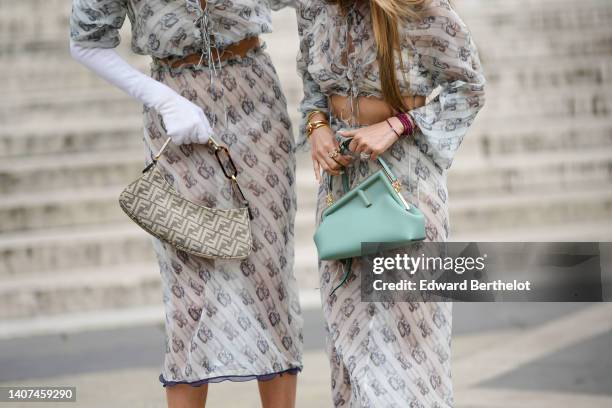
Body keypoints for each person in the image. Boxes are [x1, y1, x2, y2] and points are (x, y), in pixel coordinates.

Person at [69, 1, 303, 407]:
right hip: (174, 113)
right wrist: (161, 98)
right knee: (188, 293)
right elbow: (86, 41)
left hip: (257, 102)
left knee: (271, 275)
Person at [296, 0, 486, 406]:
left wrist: (397, 124)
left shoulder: (419, 9)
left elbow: (469, 87)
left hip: (407, 181)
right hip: (342, 183)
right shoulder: (314, 7)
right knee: (348, 336)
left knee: (409, 338)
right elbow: (312, 87)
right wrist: (318, 128)